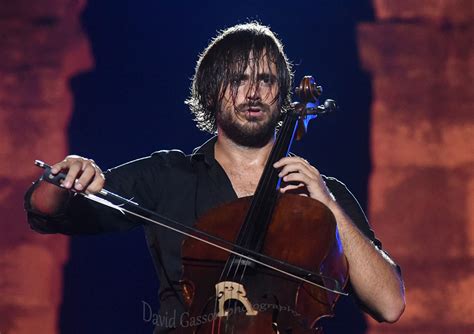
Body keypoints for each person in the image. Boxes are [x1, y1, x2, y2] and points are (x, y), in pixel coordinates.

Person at [24, 22, 405, 332]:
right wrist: (64, 176)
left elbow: (389, 304)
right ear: (210, 94)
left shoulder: (320, 194)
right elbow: (45, 212)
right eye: (237, 80)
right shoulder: (169, 175)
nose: (253, 92)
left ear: (283, 95)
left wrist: (327, 206)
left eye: (267, 80)